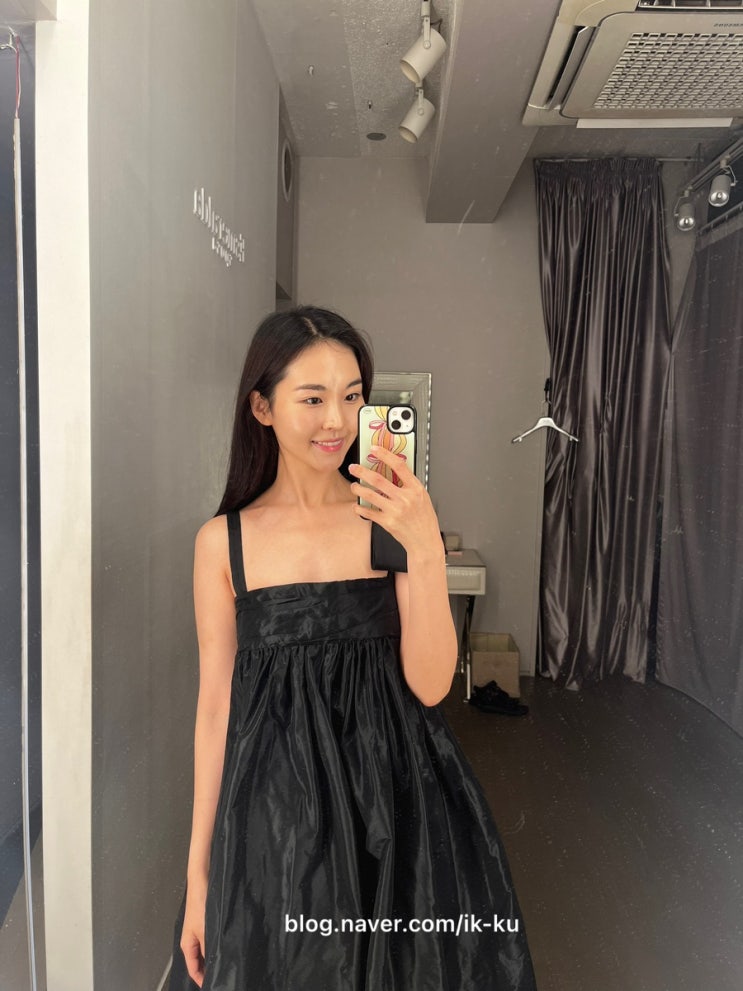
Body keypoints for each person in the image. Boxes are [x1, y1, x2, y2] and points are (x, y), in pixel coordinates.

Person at [168, 306, 538, 990]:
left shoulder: (389, 517)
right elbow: (215, 708)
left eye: (351, 396)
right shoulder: (222, 543)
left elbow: (431, 684)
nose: (336, 420)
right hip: (279, 819)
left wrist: (423, 547)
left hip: (396, 802)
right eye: (312, 399)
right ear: (262, 407)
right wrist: (198, 874)